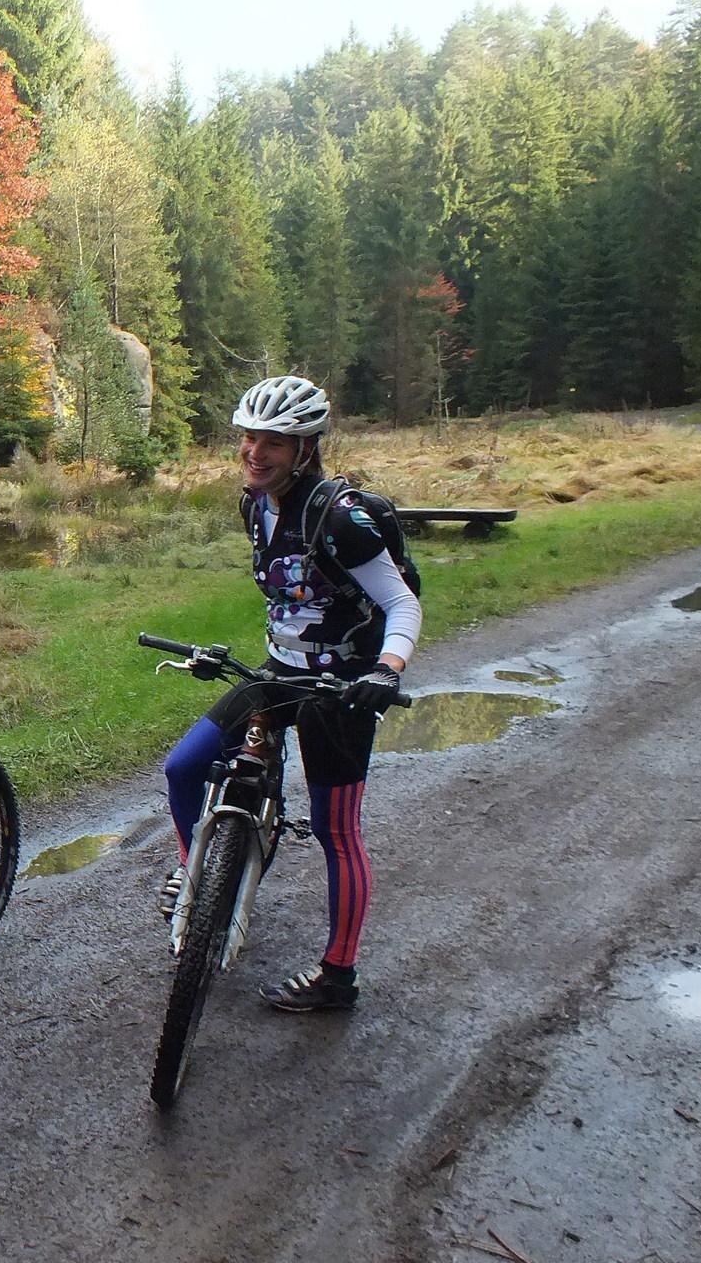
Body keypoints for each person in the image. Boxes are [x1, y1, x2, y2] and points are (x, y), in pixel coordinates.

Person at [159, 375, 421, 1012]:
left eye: (273, 441)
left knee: (337, 830)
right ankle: (203, 876)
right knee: (184, 767)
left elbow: (399, 602)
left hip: (343, 687)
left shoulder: (340, 520)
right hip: (277, 671)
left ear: (306, 448)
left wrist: (384, 672)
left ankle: (338, 976)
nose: (255, 451)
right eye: (249, 437)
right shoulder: (255, 503)